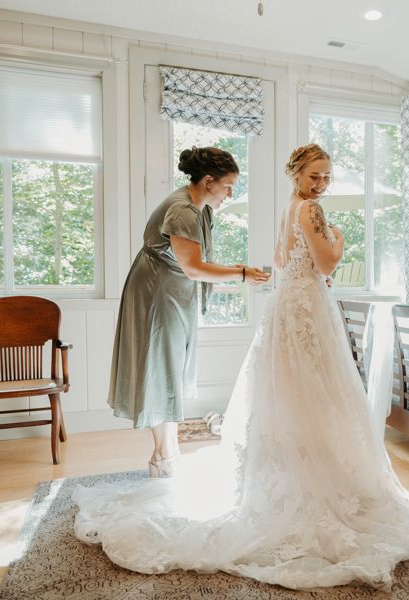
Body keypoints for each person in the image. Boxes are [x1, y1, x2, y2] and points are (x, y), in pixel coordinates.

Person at [75, 144, 409, 591]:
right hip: (188, 295)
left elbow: (280, 261)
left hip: (285, 301)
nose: (322, 184)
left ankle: (173, 456)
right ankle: (167, 456)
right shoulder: (296, 211)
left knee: (289, 387)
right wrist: (338, 242)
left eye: (327, 176)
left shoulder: (288, 206)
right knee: (296, 385)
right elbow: (323, 262)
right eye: (315, 176)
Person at [107, 146, 270, 477]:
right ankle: (163, 456)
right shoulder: (183, 210)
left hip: (170, 290)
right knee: (160, 369)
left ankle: (167, 451)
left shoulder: (199, 207)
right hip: (157, 292)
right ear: (209, 181)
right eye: (228, 185)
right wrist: (241, 272)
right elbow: (194, 268)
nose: (230, 193)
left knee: (171, 369)